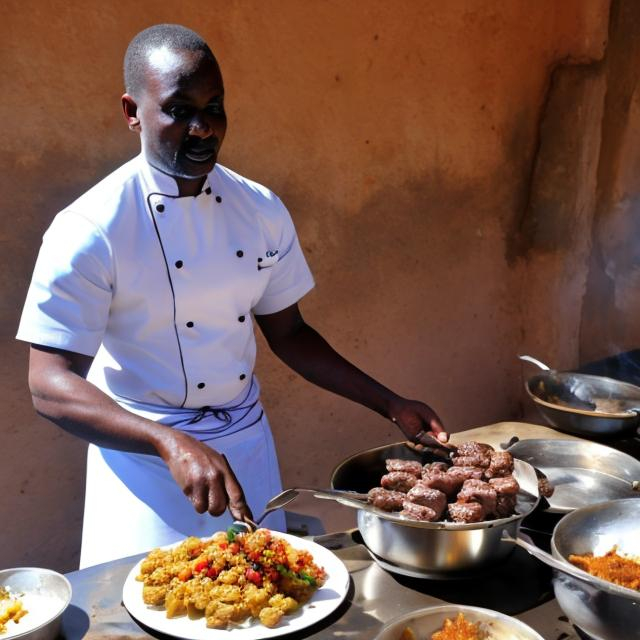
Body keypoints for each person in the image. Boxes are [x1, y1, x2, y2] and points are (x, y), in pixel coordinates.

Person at [17, 24, 449, 568]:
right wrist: (167, 442)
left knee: (263, 605)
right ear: (132, 111)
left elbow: (289, 334)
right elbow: (49, 384)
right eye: (179, 109)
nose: (203, 128)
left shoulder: (260, 209)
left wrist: (391, 404)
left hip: (245, 450)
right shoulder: (90, 228)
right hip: (145, 467)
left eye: (215, 106)